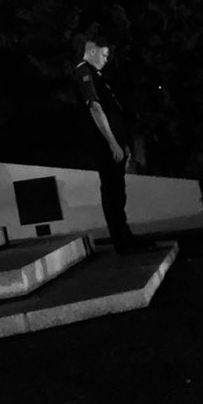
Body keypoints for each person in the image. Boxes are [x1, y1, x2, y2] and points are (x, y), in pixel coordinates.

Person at [74, 37, 156, 255]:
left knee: (118, 191)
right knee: (112, 191)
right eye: (104, 55)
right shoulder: (84, 73)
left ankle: (125, 236)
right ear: (92, 51)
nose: (106, 59)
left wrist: (122, 143)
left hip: (113, 144)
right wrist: (112, 143)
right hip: (104, 146)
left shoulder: (96, 75)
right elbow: (95, 108)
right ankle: (121, 240)